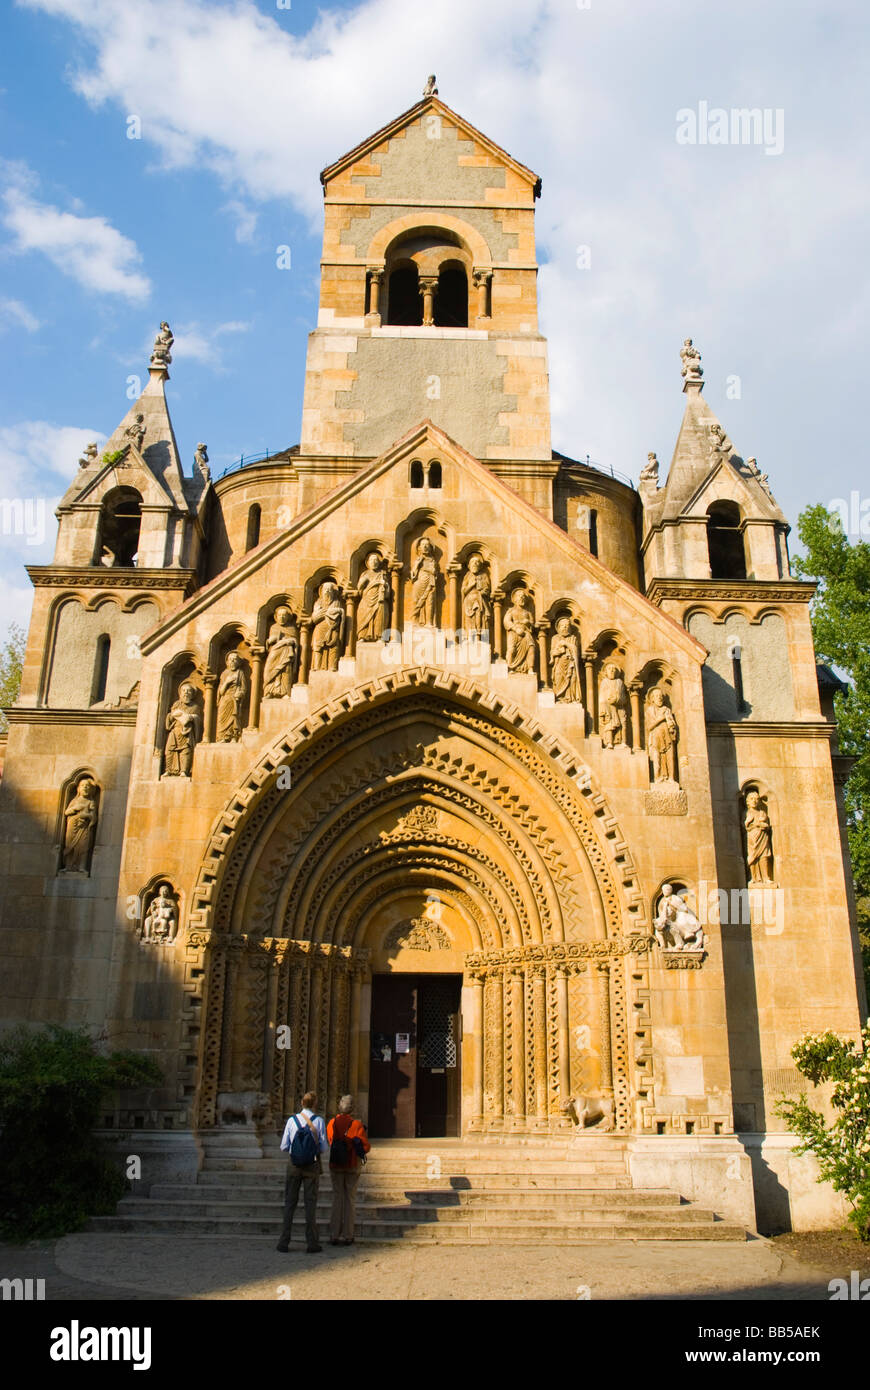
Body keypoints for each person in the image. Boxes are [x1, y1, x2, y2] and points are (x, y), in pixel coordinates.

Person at [277, 1091, 329, 1253]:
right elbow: (323, 1147)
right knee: (310, 1204)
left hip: (294, 1165)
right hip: (311, 1166)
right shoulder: (319, 1121)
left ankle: (284, 1242)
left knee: (290, 1203)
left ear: (301, 1103)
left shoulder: (291, 1120)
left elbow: (284, 1146)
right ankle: (312, 1243)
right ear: (315, 1104)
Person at [326, 1095, 370, 1246]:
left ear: (339, 1106)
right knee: (350, 1199)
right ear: (352, 1108)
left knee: (337, 1198)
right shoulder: (356, 1125)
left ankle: (334, 1235)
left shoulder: (332, 1123)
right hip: (351, 1165)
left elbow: (330, 1140)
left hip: (336, 1165)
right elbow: (365, 1147)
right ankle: (348, 1235)